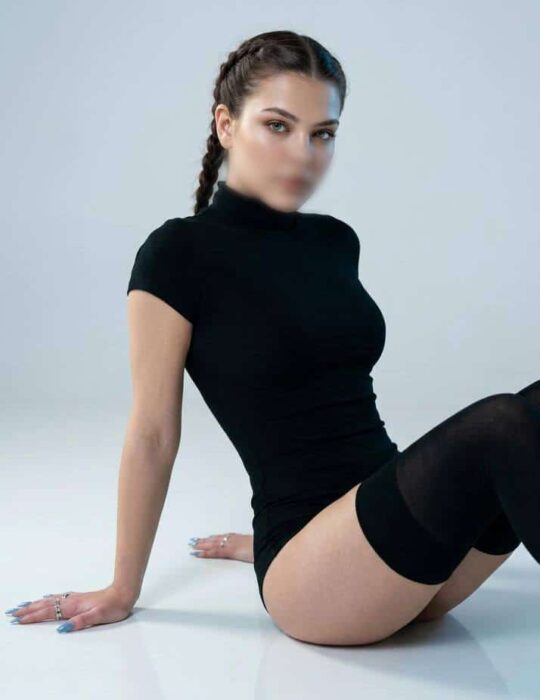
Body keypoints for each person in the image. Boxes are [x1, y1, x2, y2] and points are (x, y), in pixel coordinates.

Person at [6, 30, 539, 646]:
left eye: (323, 134)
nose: (303, 155)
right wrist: (121, 589)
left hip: (406, 548)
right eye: (278, 126)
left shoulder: (335, 240)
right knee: (502, 423)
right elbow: (152, 434)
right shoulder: (177, 255)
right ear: (226, 125)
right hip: (314, 579)